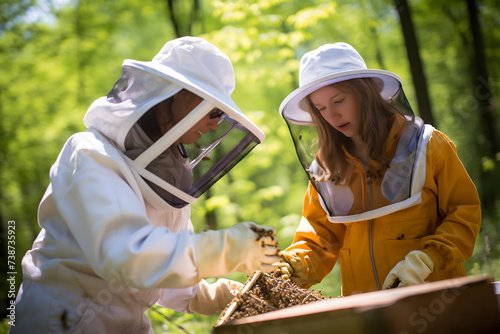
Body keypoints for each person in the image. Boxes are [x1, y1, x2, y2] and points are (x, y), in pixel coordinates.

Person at [12, 36, 281, 333]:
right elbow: (128, 258)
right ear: (178, 95)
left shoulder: (170, 177)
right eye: (214, 109)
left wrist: (218, 294)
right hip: (59, 324)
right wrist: (226, 248)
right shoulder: (89, 154)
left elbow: (166, 276)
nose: (217, 123)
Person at [274, 42, 481, 296]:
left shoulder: (429, 146)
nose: (333, 116)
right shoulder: (327, 169)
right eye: (321, 108)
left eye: (339, 100)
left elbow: (464, 214)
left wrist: (428, 260)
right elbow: (319, 240)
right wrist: (293, 264)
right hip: (367, 313)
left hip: (435, 304)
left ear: (365, 93)